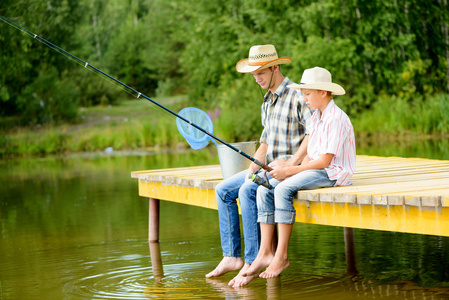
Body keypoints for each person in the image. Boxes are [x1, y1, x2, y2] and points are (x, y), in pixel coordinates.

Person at [205, 45, 312, 287]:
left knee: (247, 191)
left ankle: (253, 260)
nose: (257, 79)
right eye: (254, 74)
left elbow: (312, 133)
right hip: (267, 167)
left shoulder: (297, 95)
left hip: (288, 169)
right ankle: (232, 256)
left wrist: (293, 163)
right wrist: (253, 168)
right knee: (223, 190)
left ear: (276, 67)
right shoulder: (266, 101)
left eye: (261, 73)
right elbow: (265, 141)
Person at [241, 66, 356, 283]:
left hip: (333, 173)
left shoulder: (335, 118)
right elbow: (312, 156)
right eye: (302, 94)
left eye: (307, 93)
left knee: (283, 188)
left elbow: (324, 161)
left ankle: (281, 256)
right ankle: (265, 252)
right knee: (265, 188)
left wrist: (290, 171)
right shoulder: (318, 117)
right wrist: (287, 169)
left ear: (323, 92)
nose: (304, 98)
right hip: (317, 168)